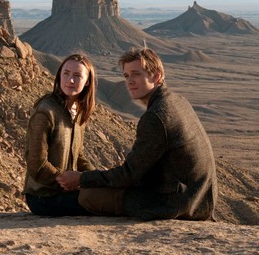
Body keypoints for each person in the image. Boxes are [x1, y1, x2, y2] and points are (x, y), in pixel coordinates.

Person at [57, 48, 218, 221]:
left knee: (89, 196)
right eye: (126, 76)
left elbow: (128, 174)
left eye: (136, 74)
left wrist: (82, 178)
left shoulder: (156, 117)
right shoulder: (177, 101)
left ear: (156, 77)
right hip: (199, 197)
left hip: (177, 203)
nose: (130, 81)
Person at [23, 53, 96, 216]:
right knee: (104, 202)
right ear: (59, 76)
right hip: (43, 197)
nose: (70, 80)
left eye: (77, 76)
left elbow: (78, 155)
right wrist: (68, 184)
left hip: (66, 192)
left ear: (87, 82)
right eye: (66, 74)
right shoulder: (46, 112)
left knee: (105, 194)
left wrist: (94, 178)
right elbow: (37, 163)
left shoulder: (77, 113)